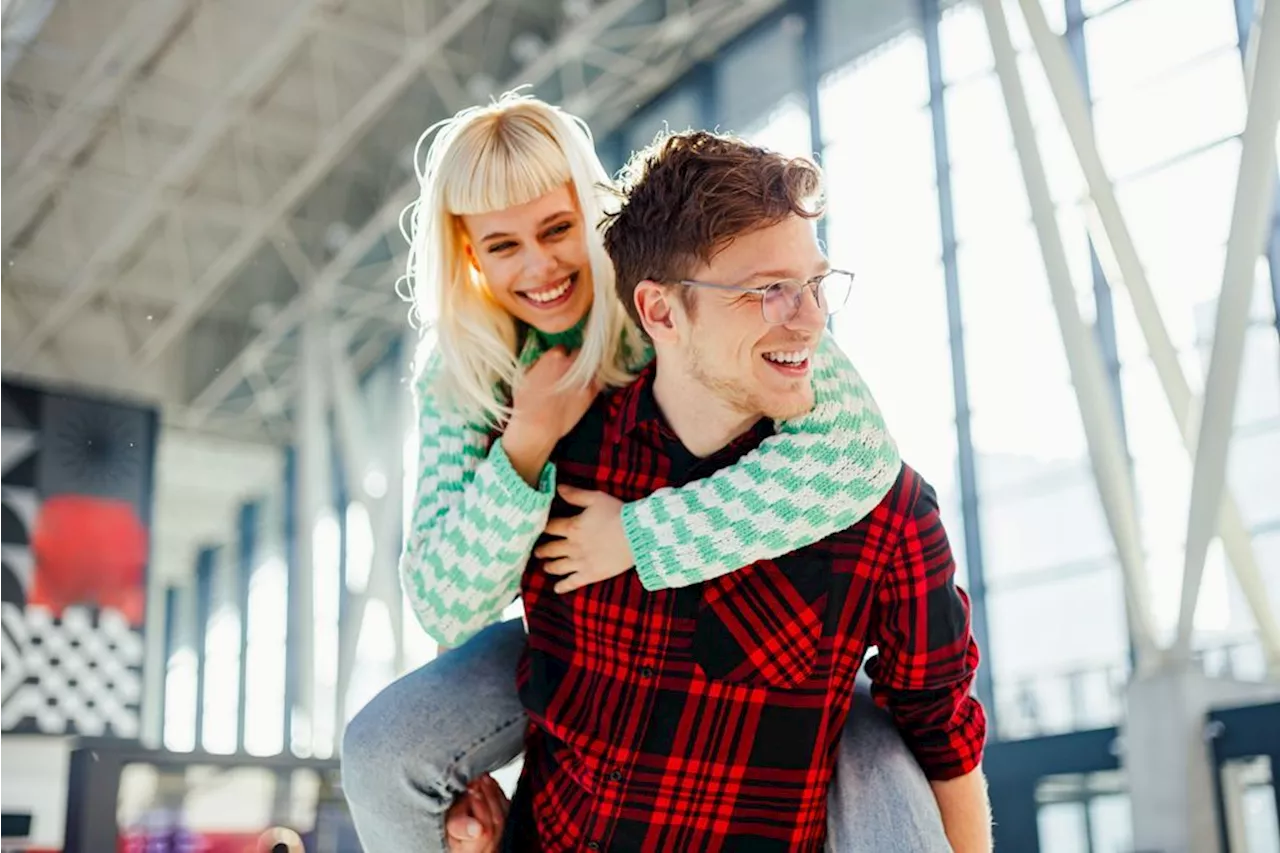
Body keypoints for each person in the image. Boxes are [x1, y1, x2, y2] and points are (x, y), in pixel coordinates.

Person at [338, 92, 952, 853]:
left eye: (557, 229)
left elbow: (858, 452)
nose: (539, 268)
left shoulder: (681, 292)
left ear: (590, 218)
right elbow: (443, 597)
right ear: (467, 254)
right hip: (570, 629)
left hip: (749, 621)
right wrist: (527, 441)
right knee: (382, 748)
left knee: (865, 736)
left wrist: (639, 535)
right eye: (503, 247)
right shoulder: (465, 375)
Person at [499, 128, 992, 851]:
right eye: (769, 291)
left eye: (816, 284)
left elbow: (944, 740)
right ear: (661, 312)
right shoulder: (563, 468)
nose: (813, 317)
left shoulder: (884, 512)